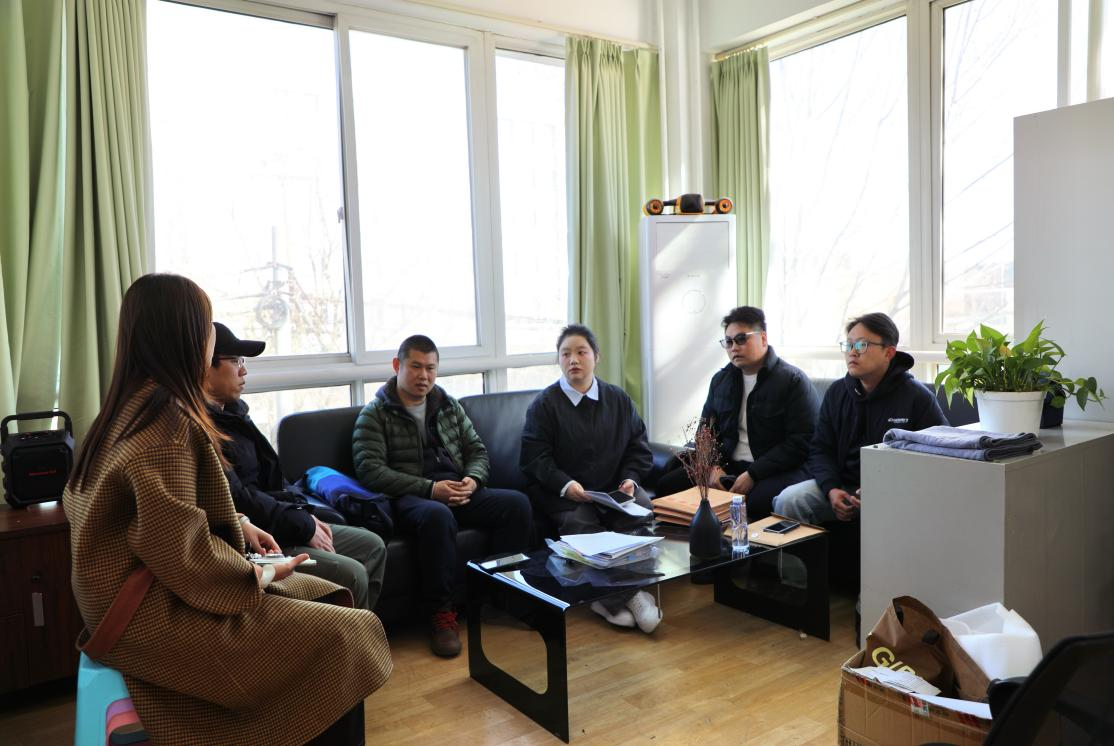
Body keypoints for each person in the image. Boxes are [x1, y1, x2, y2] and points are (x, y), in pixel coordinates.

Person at [64, 273, 391, 746]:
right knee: (350, 634)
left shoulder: (125, 411)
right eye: (208, 332)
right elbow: (187, 557)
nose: (213, 344)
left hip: (131, 599)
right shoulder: (167, 426)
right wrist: (262, 573)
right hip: (151, 616)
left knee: (330, 595)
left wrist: (238, 523)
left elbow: (157, 516)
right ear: (186, 338)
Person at [352, 335, 532, 658]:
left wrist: (473, 480)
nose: (424, 376)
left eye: (431, 368)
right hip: (410, 496)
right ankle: (441, 615)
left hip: (457, 488)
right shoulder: (375, 414)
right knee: (438, 515)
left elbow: (477, 450)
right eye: (416, 367)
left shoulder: (448, 406)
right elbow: (370, 471)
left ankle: (502, 596)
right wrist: (430, 489)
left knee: (516, 505)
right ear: (397, 366)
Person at [206, 322, 387, 611]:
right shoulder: (206, 429)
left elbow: (274, 482)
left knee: (373, 545)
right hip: (261, 537)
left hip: (281, 520)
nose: (244, 371)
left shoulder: (236, 415)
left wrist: (304, 513)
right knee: (353, 574)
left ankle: (359, 629)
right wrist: (302, 523)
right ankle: (347, 635)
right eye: (236, 361)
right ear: (207, 366)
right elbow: (240, 499)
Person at [519, 324, 661, 633]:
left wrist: (630, 480)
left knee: (641, 509)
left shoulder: (618, 399)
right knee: (581, 526)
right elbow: (534, 459)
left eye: (581, 352)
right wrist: (566, 485)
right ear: (558, 360)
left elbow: (638, 447)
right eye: (565, 354)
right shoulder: (544, 405)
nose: (573, 360)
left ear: (596, 357)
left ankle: (610, 600)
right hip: (562, 493)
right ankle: (630, 598)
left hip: (612, 489)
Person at [773, 312, 949, 525]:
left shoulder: (916, 396)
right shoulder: (837, 392)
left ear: (889, 352)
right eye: (849, 345)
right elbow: (820, 449)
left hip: (894, 489)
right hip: (841, 486)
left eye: (862, 345)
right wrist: (831, 489)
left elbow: (940, 455)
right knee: (789, 500)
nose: (852, 352)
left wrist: (884, 488)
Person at [655, 306, 818, 519]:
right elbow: (705, 434)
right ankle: (696, 539)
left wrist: (753, 474)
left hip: (775, 469)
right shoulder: (720, 381)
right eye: (729, 342)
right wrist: (713, 467)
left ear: (763, 338)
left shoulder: (792, 381)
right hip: (728, 466)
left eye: (741, 339)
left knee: (756, 502)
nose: (734, 347)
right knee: (667, 486)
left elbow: (801, 442)